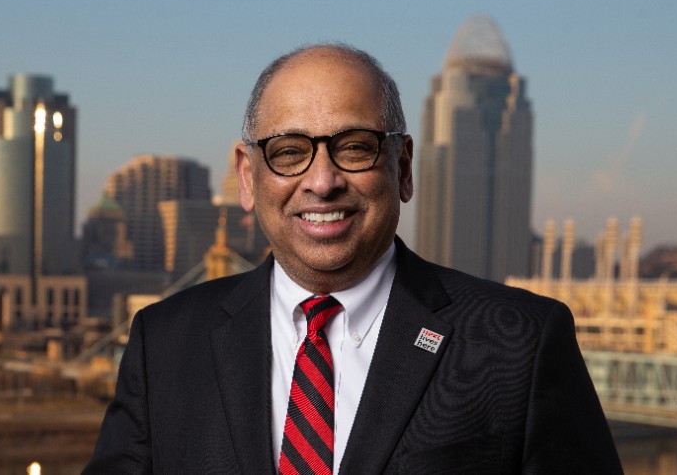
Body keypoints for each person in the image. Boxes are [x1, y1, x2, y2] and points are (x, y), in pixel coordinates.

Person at [85, 43, 622, 474]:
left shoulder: (519, 342)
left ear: (403, 166)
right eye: (289, 152)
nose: (322, 182)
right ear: (248, 177)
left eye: (356, 147)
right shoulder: (165, 341)